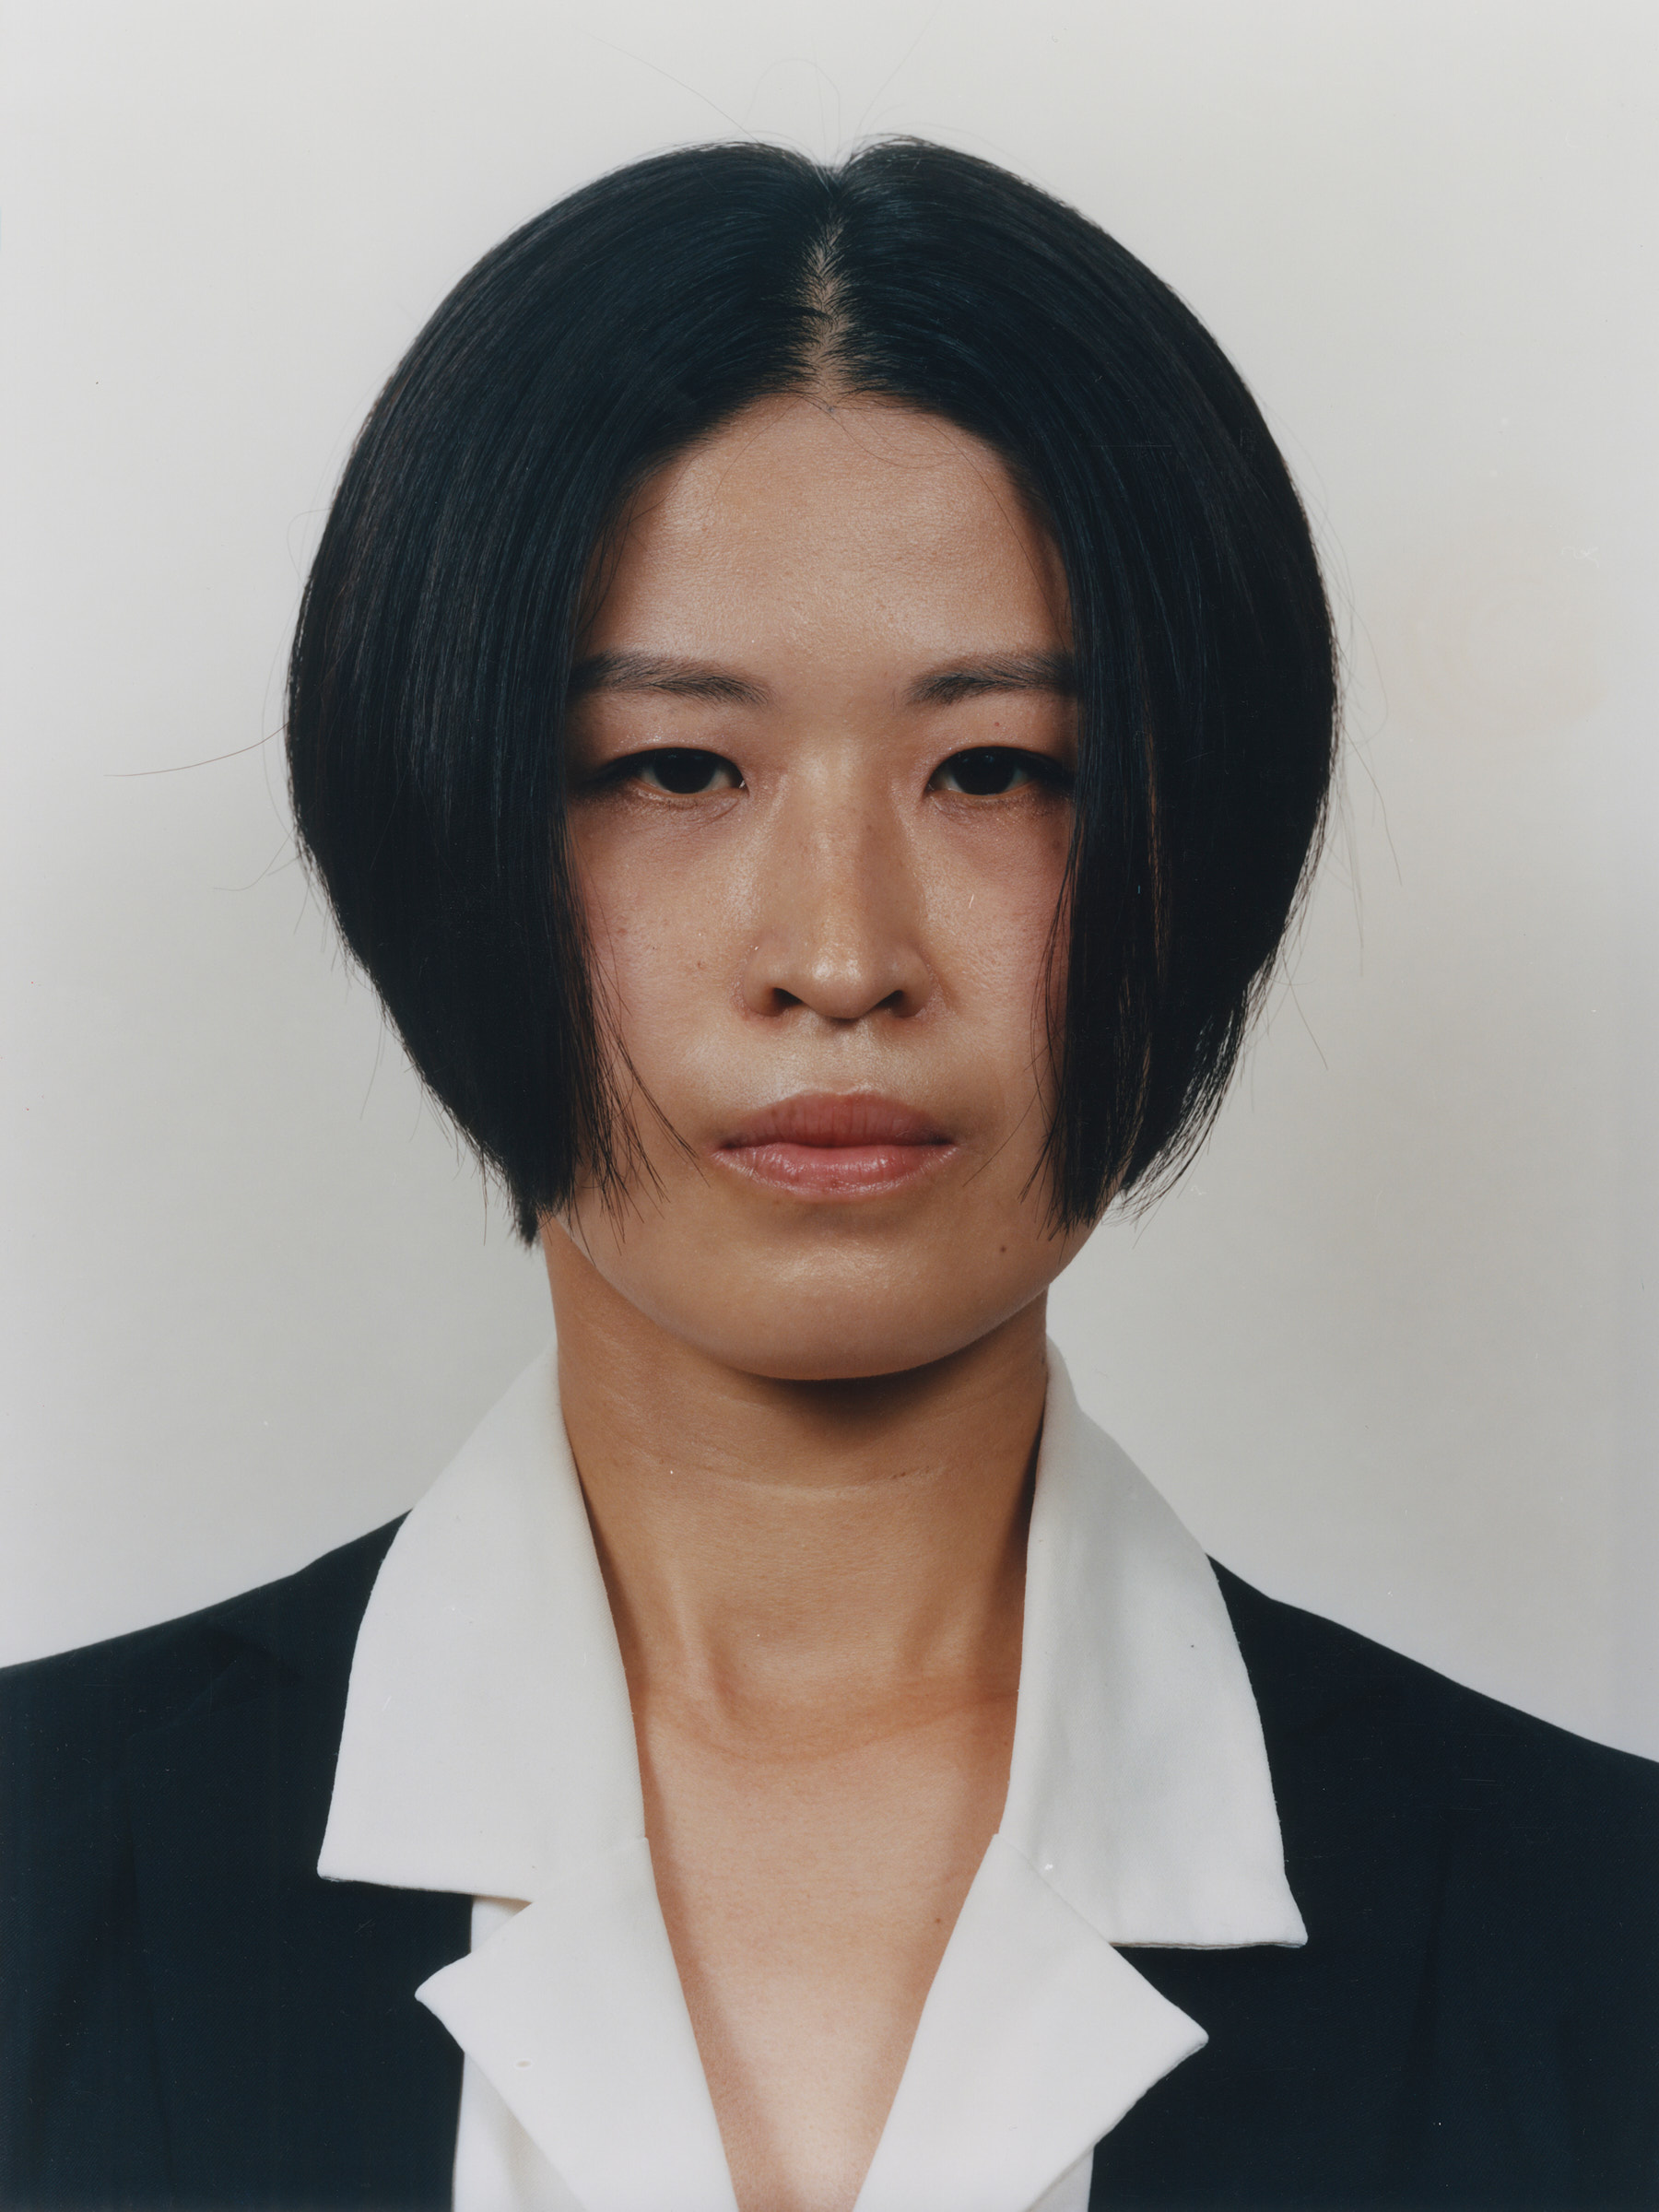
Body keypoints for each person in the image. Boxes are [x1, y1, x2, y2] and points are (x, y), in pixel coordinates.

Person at [2, 138, 1654, 2212]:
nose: (842, 955)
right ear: (436, 821)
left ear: (1199, 847)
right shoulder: (40, 1868)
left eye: (1000, 771)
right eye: (674, 768)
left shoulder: (1606, 1935)